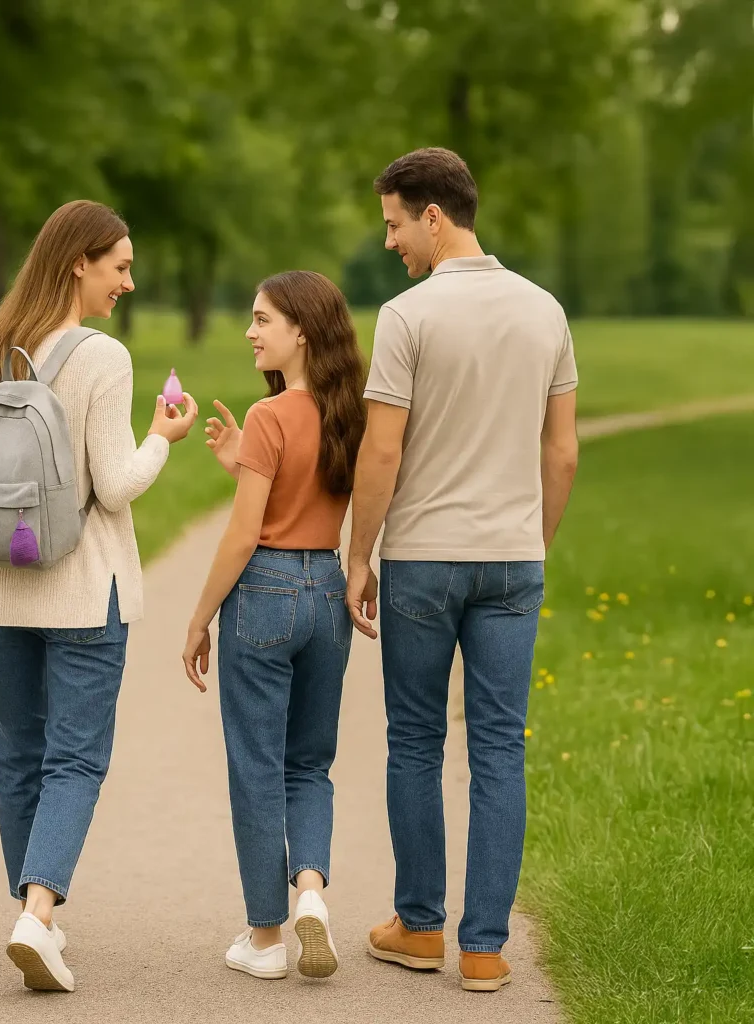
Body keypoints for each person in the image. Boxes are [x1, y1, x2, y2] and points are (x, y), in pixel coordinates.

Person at [0, 200, 198, 993]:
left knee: (18, 756)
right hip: (82, 591)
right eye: (120, 265)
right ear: (78, 261)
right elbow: (114, 489)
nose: (129, 282)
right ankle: (38, 915)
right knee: (75, 758)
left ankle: (30, 913)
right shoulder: (102, 358)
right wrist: (162, 439)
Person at [345, 148, 579, 993]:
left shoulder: (407, 316)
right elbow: (563, 454)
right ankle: (484, 947)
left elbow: (382, 449)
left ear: (434, 217)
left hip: (424, 560)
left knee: (413, 741)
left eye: (395, 224)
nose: (390, 243)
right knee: (498, 751)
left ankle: (418, 927)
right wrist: (532, 543)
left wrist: (357, 553)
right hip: (513, 560)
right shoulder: (546, 310)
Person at [182, 271, 367, 981]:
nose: (250, 332)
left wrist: (199, 618)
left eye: (263, 320)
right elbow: (305, 499)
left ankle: (264, 940)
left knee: (256, 768)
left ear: (302, 334)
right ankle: (311, 892)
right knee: (309, 763)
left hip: (262, 593)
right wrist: (242, 464)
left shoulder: (270, 417)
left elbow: (245, 535)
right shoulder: (346, 413)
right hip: (324, 589)